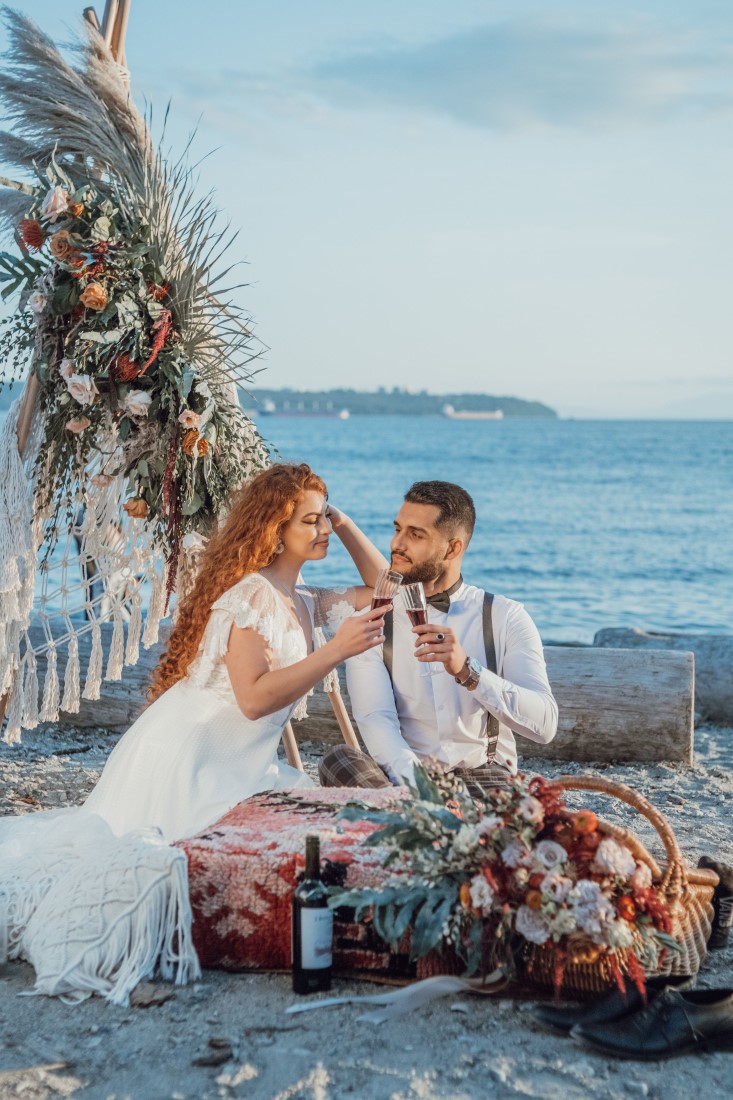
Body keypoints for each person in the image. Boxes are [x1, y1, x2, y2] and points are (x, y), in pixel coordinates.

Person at [0, 463, 390, 1004]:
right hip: (192, 755)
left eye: (324, 518)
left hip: (240, 760)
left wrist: (343, 525)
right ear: (274, 531)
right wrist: (335, 652)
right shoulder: (251, 597)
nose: (322, 528)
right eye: (311, 521)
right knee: (140, 869)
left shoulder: (304, 598)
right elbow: (253, 700)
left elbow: (382, 588)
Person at [319, 480, 558, 794]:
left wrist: (468, 672)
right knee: (338, 760)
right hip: (407, 777)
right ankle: (421, 818)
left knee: (501, 797)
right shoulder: (373, 621)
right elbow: (377, 721)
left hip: (484, 776)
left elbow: (545, 726)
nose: (397, 544)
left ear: (453, 548)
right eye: (397, 529)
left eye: (416, 535)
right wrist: (422, 791)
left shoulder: (505, 617)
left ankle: (412, 826)